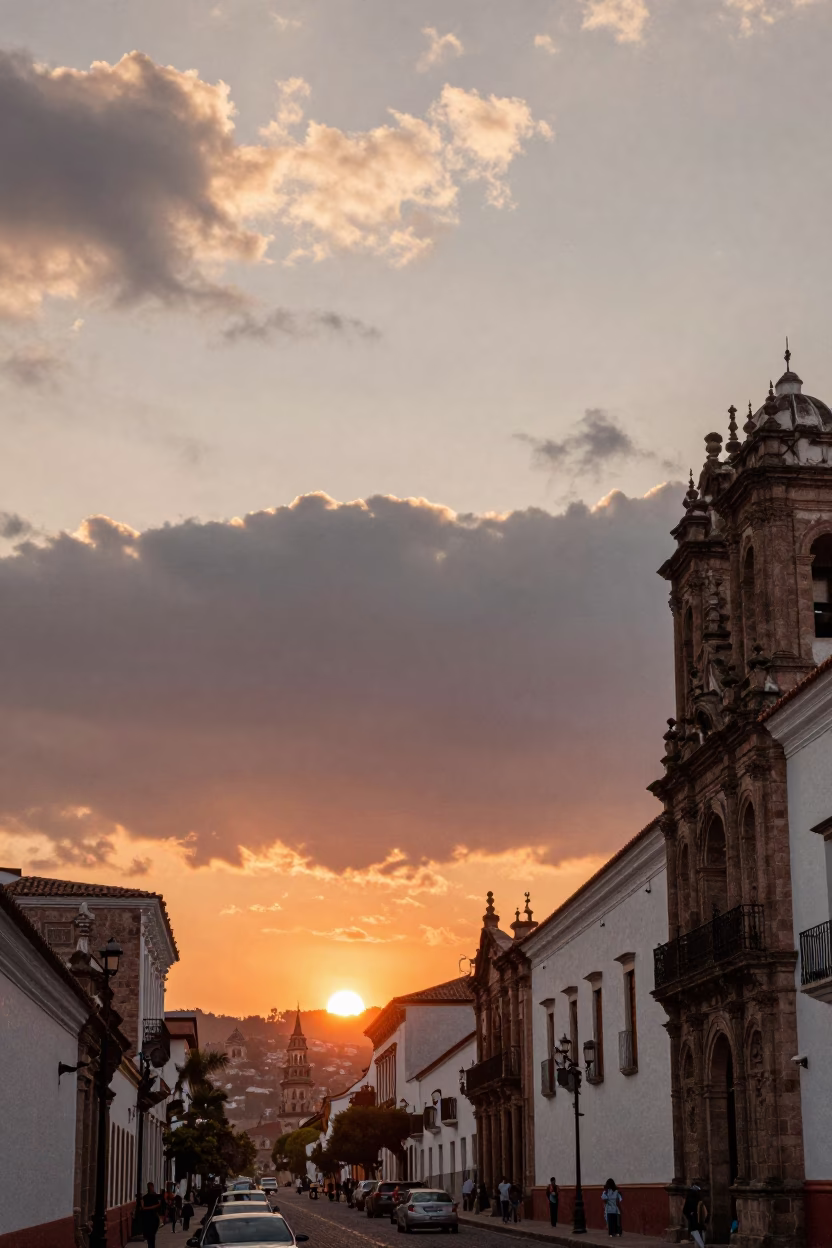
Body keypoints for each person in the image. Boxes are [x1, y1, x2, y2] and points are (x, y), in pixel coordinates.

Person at [682, 1184, 707, 1248]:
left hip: (695, 1223)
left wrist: (690, 1216)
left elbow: (685, 1211)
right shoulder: (697, 1200)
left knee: (698, 1239)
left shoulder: (694, 1200)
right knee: (699, 1239)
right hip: (696, 1223)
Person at [139, 1181, 163, 1248]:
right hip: (153, 1218)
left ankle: (150, 1246)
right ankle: (151, 1246)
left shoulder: (145, 1197)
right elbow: (159, 1206)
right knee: (152, 1235)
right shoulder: (154, 1197)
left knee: (150, 1236)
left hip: (147, 1218)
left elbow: (142, 1207)